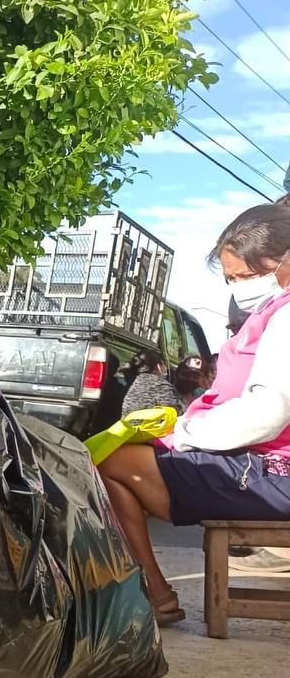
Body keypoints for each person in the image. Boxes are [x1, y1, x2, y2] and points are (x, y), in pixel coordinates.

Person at [97, 203, 290, 622]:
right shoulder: (273, 313)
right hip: (270, 465)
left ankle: (153, 592)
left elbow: (268, 412)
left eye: (247, 276)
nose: (240, 288)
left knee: (114, 464)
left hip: (279, 476)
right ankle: (152, 590)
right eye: (232, 280)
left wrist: (182, 434)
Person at [120, 349, 182, 414]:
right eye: (164, 364)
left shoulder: (135, 382)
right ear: (158, 366)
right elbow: (175, 413)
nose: (165, 368)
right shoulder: (161, 386)